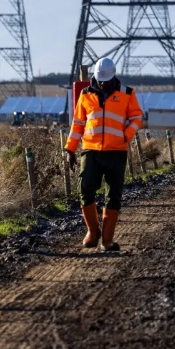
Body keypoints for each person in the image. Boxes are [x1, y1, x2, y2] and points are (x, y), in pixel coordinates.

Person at [65, 57, 144, 251]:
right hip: (91, 150)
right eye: (99, 79)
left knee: (114, 195)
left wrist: (125, 136)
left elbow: (137, 117)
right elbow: (78, 124)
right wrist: (70, 149)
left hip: (117, 152)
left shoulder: (127, 93)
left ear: (113, 76)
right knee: (85, 188)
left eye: (105, 80)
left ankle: (107, 240)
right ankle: (93, 232)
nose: (102, 83)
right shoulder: (85, 95)